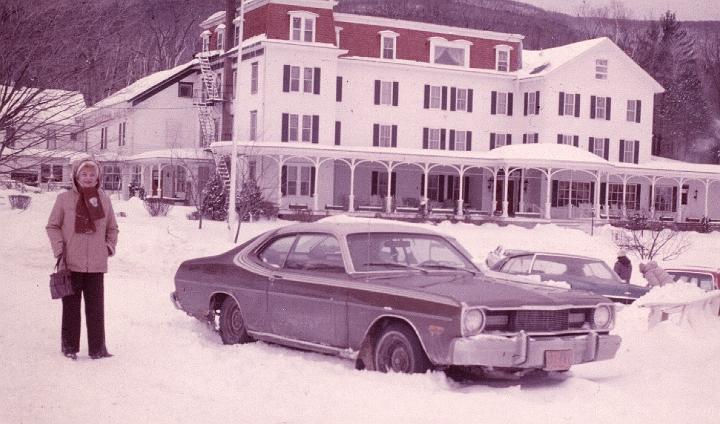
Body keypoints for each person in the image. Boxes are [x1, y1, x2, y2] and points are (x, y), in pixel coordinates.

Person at [46, 158, 119, 360]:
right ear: (76, 177)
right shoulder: (64, 199)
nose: (88, 178)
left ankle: (98, 349)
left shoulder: (104, 199)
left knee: (96, 309)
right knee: (71, 308)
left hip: (96, 264)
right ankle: (70, 347)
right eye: (84, 175)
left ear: (98, 178)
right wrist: (60, 250)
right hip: (71, 262)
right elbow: (52, 226)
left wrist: (108, 247)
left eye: (92, 175)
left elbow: (112, 228)